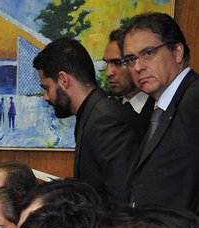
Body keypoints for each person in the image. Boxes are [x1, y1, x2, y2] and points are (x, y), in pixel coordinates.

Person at [33, 37, 140, 206]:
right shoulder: (91, 115)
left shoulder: (105, 121)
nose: (45, 97)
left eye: (47, 88)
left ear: (63, 80)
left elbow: (122, 202)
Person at [121, 12, 199, 213]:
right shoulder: (159, 108)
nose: (138, 67)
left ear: (177, 52)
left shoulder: (194, 99)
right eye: (130, 59)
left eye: (148, 53)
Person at [104, 28, 155, 135]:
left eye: (117, 63)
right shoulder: (109, 112)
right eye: (106, 63)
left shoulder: (159, 110)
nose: (108, 72)